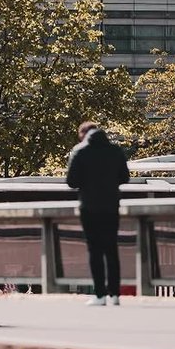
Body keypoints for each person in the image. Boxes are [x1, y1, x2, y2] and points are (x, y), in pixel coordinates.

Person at [66, 121, 130, 307]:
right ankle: (115, 294)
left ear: (83, 134)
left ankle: (100, 295)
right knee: (111, 249)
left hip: (89, 207)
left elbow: (71, 181)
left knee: (95, 250)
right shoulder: (115, 151)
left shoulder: (80, 151)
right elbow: (125, 177)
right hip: (111, 206)